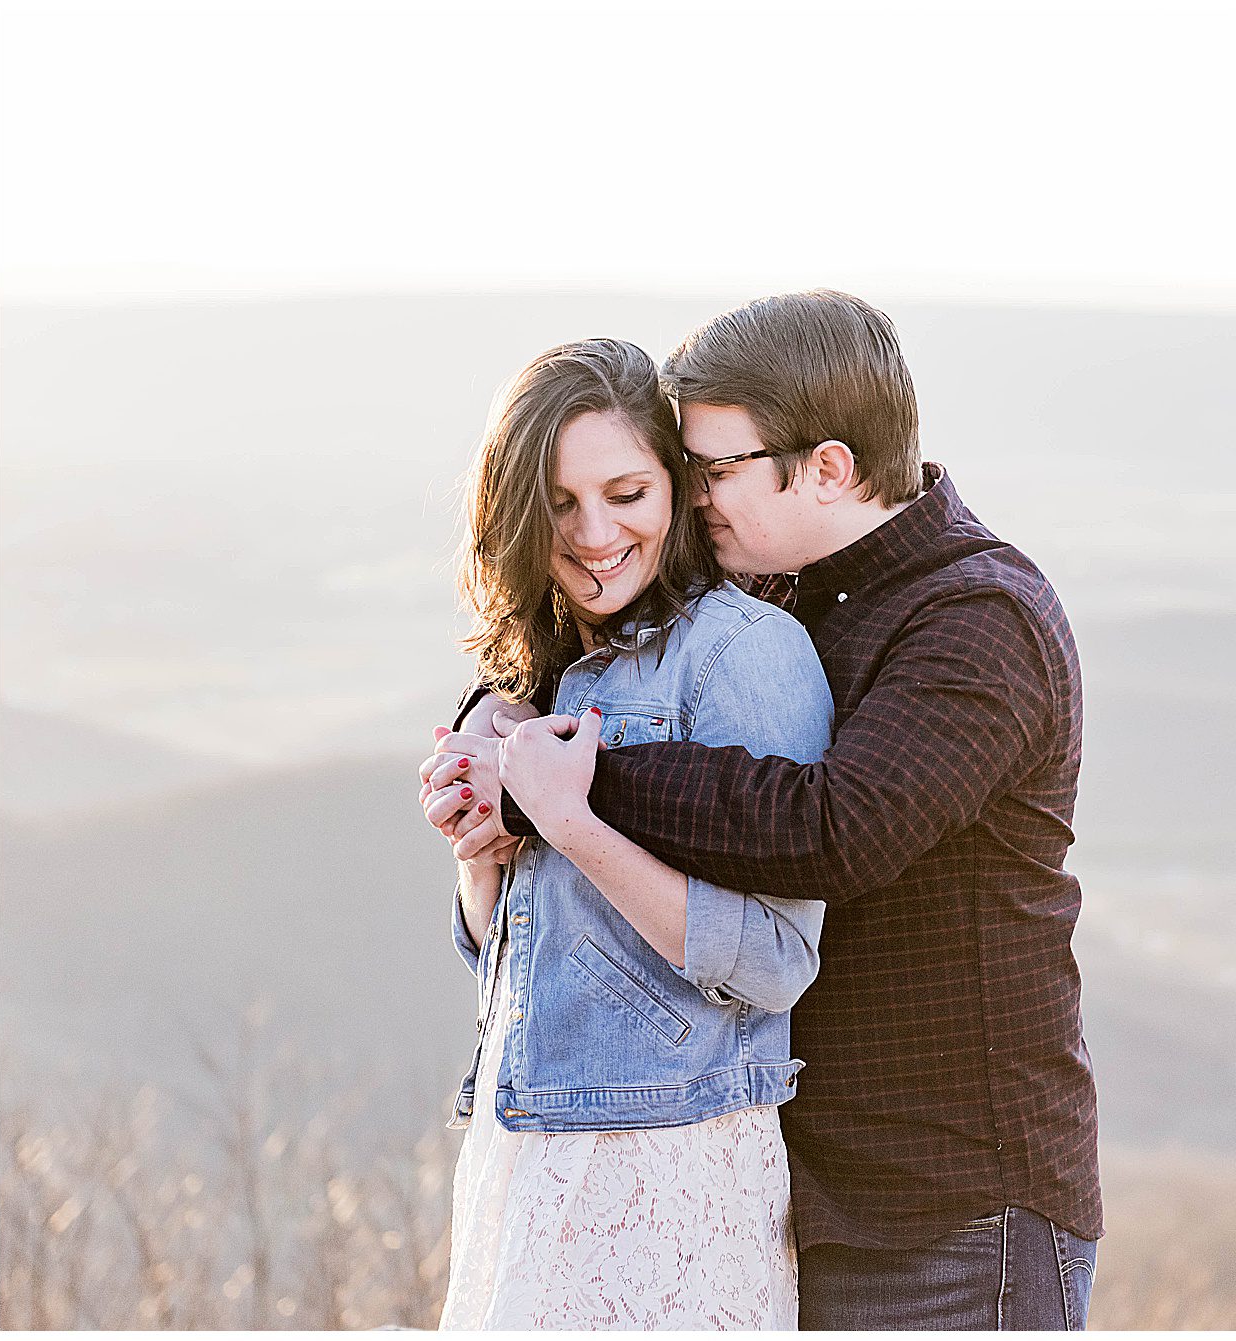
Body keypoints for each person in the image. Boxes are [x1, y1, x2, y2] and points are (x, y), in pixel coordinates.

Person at [426, 291, 1102, 1330]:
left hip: (960, 1205)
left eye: (713, 470)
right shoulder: (799, 589)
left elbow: (830, 830)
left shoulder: (974, 619)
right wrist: (499, 724)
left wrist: (572, 781)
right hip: (810, 1186)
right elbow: (592, 656)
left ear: (825, 468)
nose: (693, 499)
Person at [422, 338, 834, 1329]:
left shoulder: (745, 653)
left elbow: (778, 962)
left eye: (625, 493)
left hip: (667, 1171)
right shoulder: (547, 667)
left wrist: (569, 821)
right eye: (559, 504)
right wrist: (483, 849)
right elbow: (517, 959)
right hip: (523, 1151)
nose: (594, 533)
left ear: (676, 490)